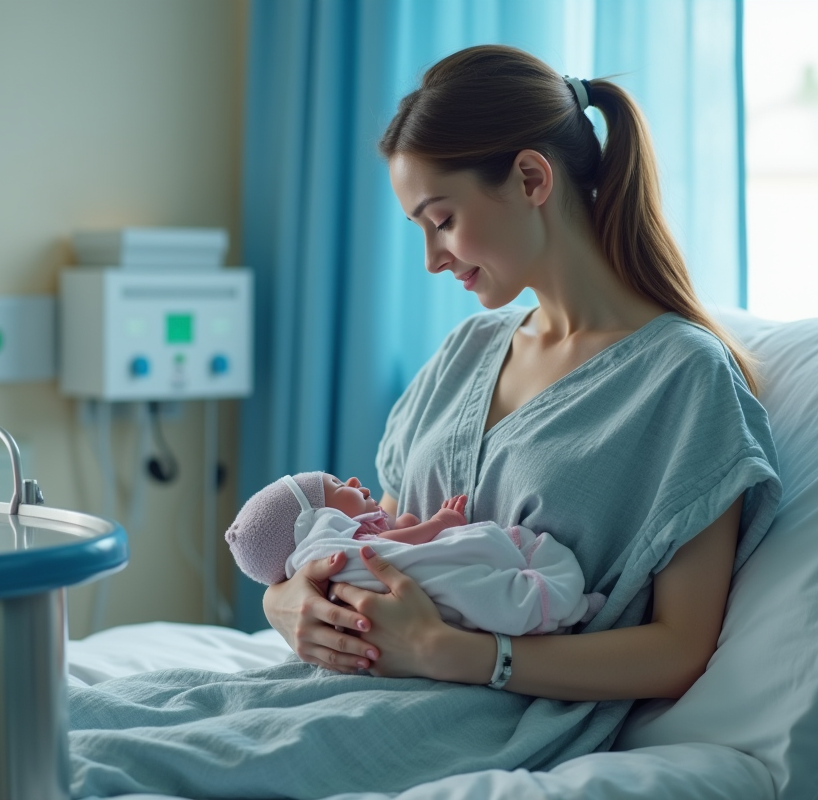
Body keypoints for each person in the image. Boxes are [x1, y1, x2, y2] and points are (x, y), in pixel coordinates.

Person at [261, 43, 780, 710]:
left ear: (532, 179)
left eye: (442, 221)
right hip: (354, 684)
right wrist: (285, 602)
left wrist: (459, 655)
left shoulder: (684, 378)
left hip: (482, 715)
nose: (431, 259)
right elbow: (382, 536)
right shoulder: (466, 350)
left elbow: (679, 649)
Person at [225, 471, 606, 636]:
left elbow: (393, 532)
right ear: (313, 521)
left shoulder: (339, 544)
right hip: (425, 603)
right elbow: (399, 543)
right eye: (338, 485)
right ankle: (563, 605)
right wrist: (438, 522)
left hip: (426, 631)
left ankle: (563, 607)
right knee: (478, 585)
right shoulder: (331, 543)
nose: (354, 481)